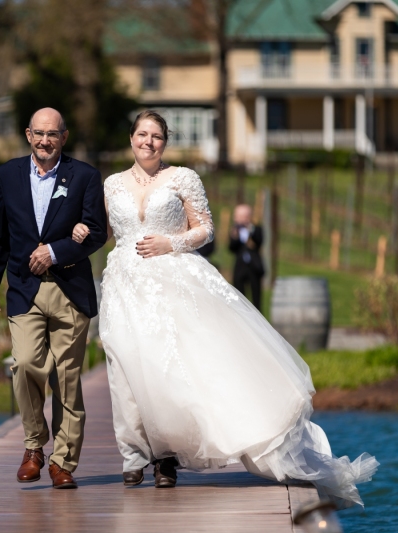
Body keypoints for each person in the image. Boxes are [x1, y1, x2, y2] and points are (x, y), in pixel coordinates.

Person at [71, 110, 377, 508]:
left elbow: (206, 229)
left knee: (167, 372)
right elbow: (105, 231)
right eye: (142, 134)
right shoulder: (110, 183)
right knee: (123, 368)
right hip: (124, 285)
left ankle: (166, 459)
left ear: (165, 142)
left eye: (157, 136)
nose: (149, 141)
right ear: (131, 138)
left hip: (173, 283)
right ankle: (132, 455)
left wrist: (171, 242)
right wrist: (81, 231)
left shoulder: (183, 178)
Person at [0, 107, 108, 489]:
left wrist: (55, 251)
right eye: (39, 133)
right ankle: (34, 445)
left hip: (70, 289)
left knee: (66, 378)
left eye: (53, 134)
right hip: (24, 290)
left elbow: (98, 232)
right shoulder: (7, 175)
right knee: (26, 364)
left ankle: (62, 462)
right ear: (27, 134)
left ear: (64, 137)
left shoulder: (84, 176)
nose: (45, 140)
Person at [229, 204, 264, 311]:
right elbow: (231, 248)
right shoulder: (235, 231)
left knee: (256, 298)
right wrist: (235, 237)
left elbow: (259, 242)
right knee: (239, 296)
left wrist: (250, 231)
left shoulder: (256, 229)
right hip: (240, 267)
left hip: (254, 267)